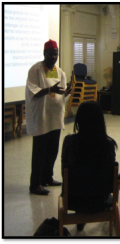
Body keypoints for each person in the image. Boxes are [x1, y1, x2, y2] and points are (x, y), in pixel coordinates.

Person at [61, 100, 118, 231]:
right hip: (100, 199)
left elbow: (65, 173)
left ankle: (81, 216)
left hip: (73, 199)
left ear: (78, 120)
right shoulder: (108, 145)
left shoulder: (69, 143)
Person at [26, 39, 73, 195]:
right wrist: (48, 89)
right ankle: (35, 184)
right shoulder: (35, 70)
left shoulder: (60, 72)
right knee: (39, 151)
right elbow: (33, 91)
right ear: (44, 54)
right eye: (51, 54)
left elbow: (61, 94)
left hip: (55, 116)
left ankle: (48, 177)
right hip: (42, 116)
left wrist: (68, 92)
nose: (54, 57)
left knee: (52, 150)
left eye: (56, 54)